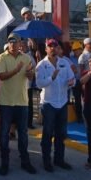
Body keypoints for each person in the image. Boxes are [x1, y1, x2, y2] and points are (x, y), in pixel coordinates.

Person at [0, 33, 37, 176]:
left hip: (22, 101)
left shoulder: (26, 58)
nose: (13, 44)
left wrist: (30, 74)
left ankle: (25, 161)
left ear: (20, 43)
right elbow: (2, 76)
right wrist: (16, 70)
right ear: (8, 43)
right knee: (4, 134)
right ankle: (4, 163)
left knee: (23, 134)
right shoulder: (2, 57)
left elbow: (30, 76)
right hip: (6, 102)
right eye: (10, 41)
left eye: (15, 42)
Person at [35, 39, 75, 172]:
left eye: (55, 46)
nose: (53, 48)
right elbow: (39, 84)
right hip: (49, 103)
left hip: (62, 102)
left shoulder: (64, 62)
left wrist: (72, 82)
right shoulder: (41, 65)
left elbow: (72, 78)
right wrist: (51, 78)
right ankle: (46, 161)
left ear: (58, 49)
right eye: (50, 46)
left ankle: (59, 159)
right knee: (47, 133)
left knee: (60, 133)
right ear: (46, 49)